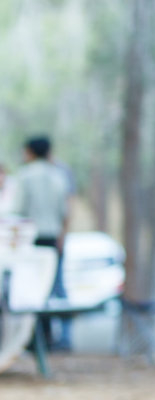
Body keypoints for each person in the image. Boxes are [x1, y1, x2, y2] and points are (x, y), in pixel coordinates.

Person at [12, 136, 74, 351]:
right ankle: (63, 339)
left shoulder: (24, 175)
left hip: (31, 240)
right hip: (54, 238)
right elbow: (66, 211)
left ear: (30, 151)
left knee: (31, 290)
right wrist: (62, 237)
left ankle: (36, 338)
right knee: (55, 287)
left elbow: (18, 211)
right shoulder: (59, 175)